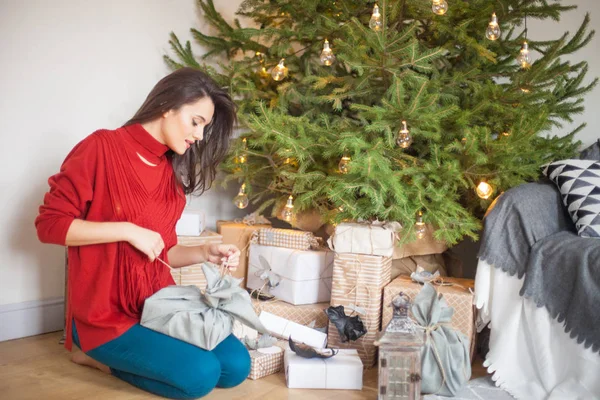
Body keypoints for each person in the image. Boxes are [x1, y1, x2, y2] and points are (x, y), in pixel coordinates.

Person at [35, 67, 250, 399]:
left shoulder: (170, 174)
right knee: (200, 376)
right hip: (105, 315)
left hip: (159, 306)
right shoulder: (100, 148)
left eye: (204, 128)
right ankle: (89, 351)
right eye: (196, 122)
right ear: (168, 106)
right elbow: (49, 226)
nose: (199, 136)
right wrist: (127, 230)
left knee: (236, 366)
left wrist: (205, 252)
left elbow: (162, 252)